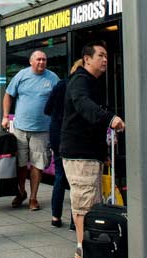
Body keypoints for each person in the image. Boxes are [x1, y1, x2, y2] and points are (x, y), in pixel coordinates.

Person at [60, 41, 125, 258]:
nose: (105, 59)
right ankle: (83, 249)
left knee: (91, 202)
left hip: (89, 154)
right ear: (87, 59)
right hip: (80, 155)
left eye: (106, 56)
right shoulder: (80, 80)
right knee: (84, 204)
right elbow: (82, 104)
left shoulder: (91, 81)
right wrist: (110, 118)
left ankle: (88, 245)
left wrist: (103, 152)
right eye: (101, 55)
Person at [1, 50, 58, 211]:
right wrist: (5, 116)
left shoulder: (52, 78)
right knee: (20, 164)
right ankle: (20, 193)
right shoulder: (21, 75)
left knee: (37, 166)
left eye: (44, 59)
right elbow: (8, 95)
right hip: (20, 128)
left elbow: (60, 98)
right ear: (31, 61)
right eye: (38, 59)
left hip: (42, 130)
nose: (42, 62)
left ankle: (33, 197)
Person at [43, 59, 83, 229]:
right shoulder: (82, 87)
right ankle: (76, 221)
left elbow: (47, 109)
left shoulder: (60, 85)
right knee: (76, 180)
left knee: (60, 176)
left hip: (56, 136)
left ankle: (55, 217)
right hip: (73, 137)